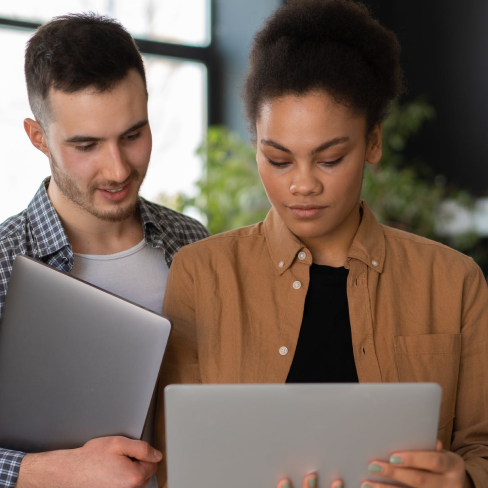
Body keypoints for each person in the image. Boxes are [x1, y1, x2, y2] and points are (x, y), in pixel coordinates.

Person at [155, 0, 488, 487]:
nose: (302, 185)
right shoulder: (201, 274)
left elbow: (481, 447)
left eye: (329, 159)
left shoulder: (454, 282)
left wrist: (461, 481)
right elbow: (174, 461)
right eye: (279, 159)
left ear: (373, 142)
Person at [0, 13, 208, 488]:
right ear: (39, 138)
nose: (117, 170)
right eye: (86, 145)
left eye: (133, 135)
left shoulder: (193, 242)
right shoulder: (2, 263)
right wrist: (47, 471)